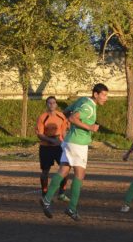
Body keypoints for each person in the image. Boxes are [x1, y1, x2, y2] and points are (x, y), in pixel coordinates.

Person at [41, 83, 109, 221]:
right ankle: (72, 208)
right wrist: (89, 127)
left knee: (64, 170)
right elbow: (72, 118)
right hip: (78, 144)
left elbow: (66, 113)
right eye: (104, 95)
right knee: (79, 175)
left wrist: (67, 129)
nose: (106, 98)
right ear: (95, 94)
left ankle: (46, 199)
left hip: (70, 141)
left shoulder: (82, 99)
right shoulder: (89, 107)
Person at [35, 96, 70, 202]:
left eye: (53, 103)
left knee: (65, 169)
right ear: (46, 104)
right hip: (46, 147)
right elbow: (40, 134)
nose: (51, 105)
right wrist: (51, 140)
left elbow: (63, 131)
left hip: (59, 147)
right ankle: (45, 194)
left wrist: (65, 142)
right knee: (45, 171)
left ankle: (62, 193)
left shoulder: (61, 116)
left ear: (56, 104)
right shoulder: (42, 117)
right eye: (49, 103)